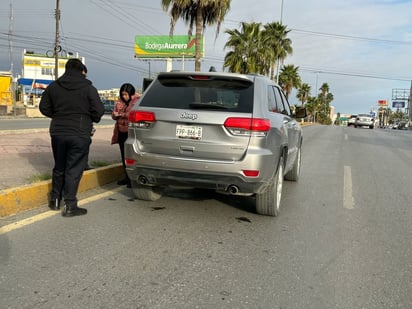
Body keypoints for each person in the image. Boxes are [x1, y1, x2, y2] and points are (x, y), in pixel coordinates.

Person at [39, 58, 104, 217]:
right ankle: (70, 205)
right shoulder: (89, 88)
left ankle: (55, 200)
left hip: (58, 132)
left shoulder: (54, 86)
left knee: (59, 166)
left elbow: (44, 107)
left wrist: (58, 116)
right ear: (81, 70)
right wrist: (90, 119)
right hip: (80, 133)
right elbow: (99, 111)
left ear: (67, 69)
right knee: (74, 169)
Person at [111, 83, 140, 188]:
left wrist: (122, 114)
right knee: (123, 155)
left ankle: (132, 179)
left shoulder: (136, 101)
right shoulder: (119, 102)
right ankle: (126, 177)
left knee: (131, 156)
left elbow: (133, 114)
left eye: (126, 94)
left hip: (131, 132)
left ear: (131, 94)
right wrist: (115, 115)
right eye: (122, 94)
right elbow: (114, 114)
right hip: (121, 131)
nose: (124, 97)